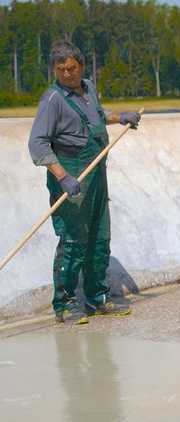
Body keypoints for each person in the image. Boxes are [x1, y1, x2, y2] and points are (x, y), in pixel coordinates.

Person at [28, 40, 141, 325]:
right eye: (61, 68)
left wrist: (120, 118)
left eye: (72, 68)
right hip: (71, 171)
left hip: (96, 171)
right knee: (73, 240)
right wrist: (62, 175)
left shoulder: (89, 88)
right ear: (54, 69)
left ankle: (98, 299)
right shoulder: (52, 100)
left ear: (81, 66)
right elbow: (38, 143)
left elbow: (97, 117)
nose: (67, 73)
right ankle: (65, 305)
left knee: (100, 238)